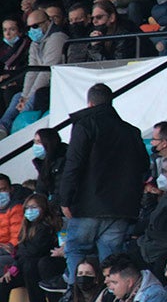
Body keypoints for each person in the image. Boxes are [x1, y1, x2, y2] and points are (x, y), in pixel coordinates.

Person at [59, 83, 147, 281]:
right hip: (121, 208)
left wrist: (65, 199)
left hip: (88, 206)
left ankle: (77, 298)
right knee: (112, 260)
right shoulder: (131, 131)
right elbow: (144, 166)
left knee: (76, 250)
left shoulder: (85, 125)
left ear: (89, 103)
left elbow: (74, 165)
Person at [0, 9, 67, 137]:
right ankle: (3, 126)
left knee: (34, 97)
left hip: (53, 86)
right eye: (29, 27)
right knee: (16, 97)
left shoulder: (57, 38)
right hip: (41, 85)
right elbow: (31, 71)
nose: (32, 30)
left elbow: (45, 72)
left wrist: (28, 98)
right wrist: (24, 96)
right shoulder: (36, 42)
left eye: (35, 26)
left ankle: (16, 134)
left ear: (48, 22)